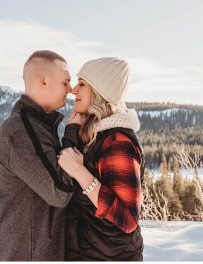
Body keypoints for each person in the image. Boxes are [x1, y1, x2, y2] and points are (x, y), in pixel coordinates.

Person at [58, 57, 144, 260]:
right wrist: (73, 132)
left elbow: (128, 219)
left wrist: (81, 173)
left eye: (81, 84)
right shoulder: (94, 135)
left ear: (99, 92)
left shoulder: (117, 141)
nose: (73, 90)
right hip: (87, 251)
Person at [0, 50, 75, 261]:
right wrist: (74, 138)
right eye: (65, 82)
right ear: (43, 81)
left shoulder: (38, 126)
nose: (71, 89)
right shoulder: (21, 130)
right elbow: (60, 192)